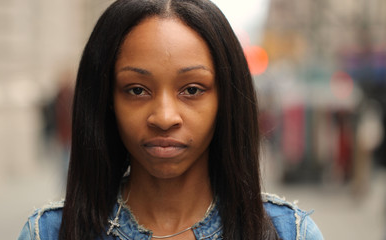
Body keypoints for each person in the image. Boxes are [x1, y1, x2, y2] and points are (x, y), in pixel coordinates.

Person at [18, 0, 324, 239]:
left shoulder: (291, 233)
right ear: (107, 101)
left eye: (192, 89)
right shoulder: (47, 233)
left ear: (226, 100)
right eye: (137, 90)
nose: (164, 117)